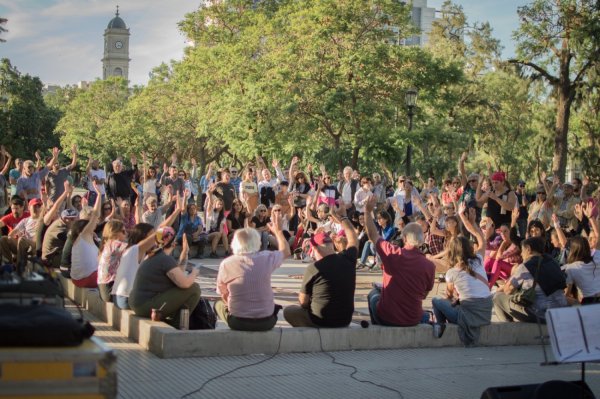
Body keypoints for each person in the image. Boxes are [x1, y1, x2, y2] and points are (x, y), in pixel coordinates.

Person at [364, 196, 435, 326]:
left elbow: (373, 235)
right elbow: (424, 295)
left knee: (373, 295)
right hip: (413, 318)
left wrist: (367, 212)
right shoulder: (430, 265)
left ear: (404, 238)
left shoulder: (394, 253)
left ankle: (378, 330)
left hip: (389, 317)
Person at [284, 206, 358, 327]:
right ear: (331, 245)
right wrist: (344, 217)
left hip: (321, 320)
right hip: (345, 320)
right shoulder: (348, 259)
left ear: (314, 249)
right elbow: (353, 239)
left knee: (289, 311)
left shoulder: (314, 268)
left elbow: (303, 302)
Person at [431, 203, 492, 346]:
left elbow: (448, 297)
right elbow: (481, 239)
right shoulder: (478, 260)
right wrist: (471, 222)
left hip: (468, 317)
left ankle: (441, 325)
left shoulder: (452, 272)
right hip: (486, 314)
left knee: (436, 301)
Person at [215, 218, 289, 331]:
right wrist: (278, 232)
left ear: (234, 243)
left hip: (238, 321)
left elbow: (223, 294)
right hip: (267, 321)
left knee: (218, 304)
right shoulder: (266, 257)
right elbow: (286, 251)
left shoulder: (226, 264)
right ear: (257, 242)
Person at [129, 228, 201, 328]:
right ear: (173, 243)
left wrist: (185, 252)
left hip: (137, 303)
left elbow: (178, 274)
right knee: (194, 288)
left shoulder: (153, 255)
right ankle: (177, 325)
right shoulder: (164, 259)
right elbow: (185, 283)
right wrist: (194, 273)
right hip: (144, 306)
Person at [492, 236, 568, 323]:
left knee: (497, 297)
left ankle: (509, 328)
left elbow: (507, 290)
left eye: (522, 251)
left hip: (541, 315)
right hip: (560, 310)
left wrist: (501, 287)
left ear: (528, 249)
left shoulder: (526, 266)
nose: (521, 254)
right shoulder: (553, 262)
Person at [70, 182, 103, 288]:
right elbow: (96, 214)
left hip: (77, 279)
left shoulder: (79, 235)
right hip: (87, 279)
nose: (96, 223)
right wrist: (98, 194)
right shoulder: (85, 233)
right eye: (94, 222)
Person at [563, 212, 600, 305]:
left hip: (589, 303)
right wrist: (590, 217)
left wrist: (577, 304)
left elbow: (566, 295)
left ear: (573, 250)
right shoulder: (597, 255)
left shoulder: (571, 268)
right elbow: (598, 237)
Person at [0, 198, 43, 274]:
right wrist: (14, 236)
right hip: (23, 243)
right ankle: (9, 265)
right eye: (34, 206)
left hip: (35, 244)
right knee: (4, 239)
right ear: (29, 207)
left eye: (38, 206)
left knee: (22, 240)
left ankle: (20, 267)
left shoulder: (43, 219)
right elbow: (11, 234)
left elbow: (51, 210)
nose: (36, 208)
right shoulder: (26, 220)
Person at [97, 220, 128, 302]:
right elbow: (135, 250)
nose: (126, 233)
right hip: (109, 289)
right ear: (115, 233)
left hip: (103, 288)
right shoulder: (115, 244)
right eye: (123, 231)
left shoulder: (107, 244)